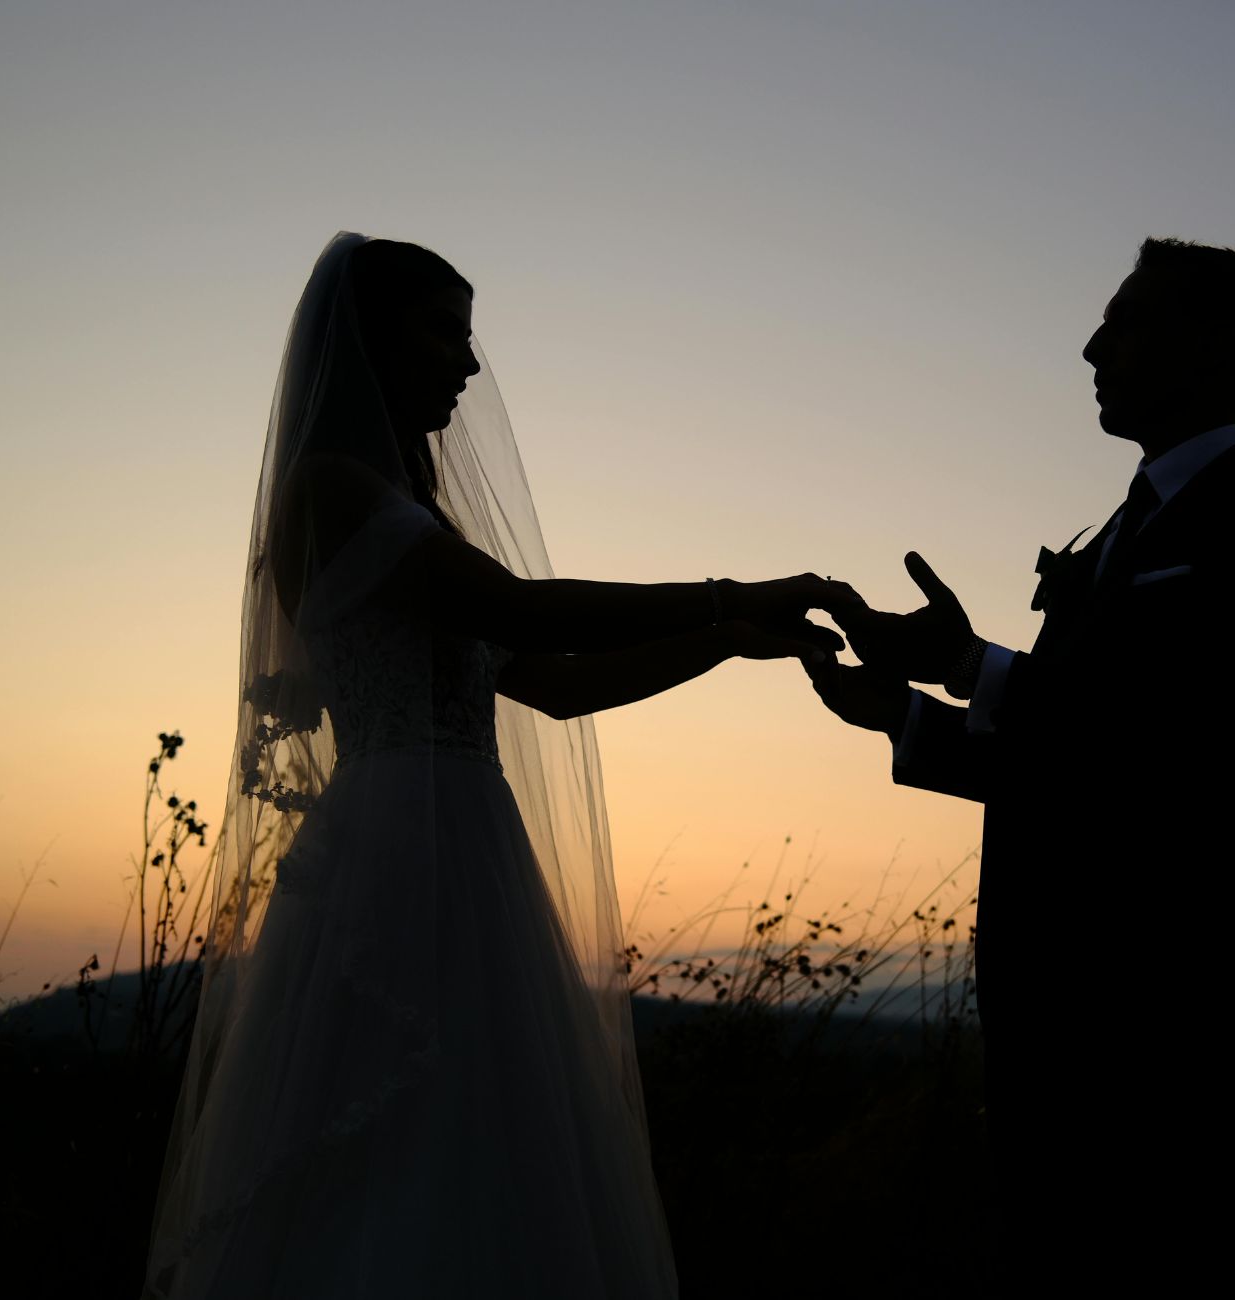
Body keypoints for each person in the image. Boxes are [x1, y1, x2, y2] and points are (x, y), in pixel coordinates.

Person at [141, 232, 852, 1298]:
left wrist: (726, 641)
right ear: (370, 341)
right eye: (444, 333)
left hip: (468, 844)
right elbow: (526, 609)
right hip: (396, 849)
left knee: (487, 1129)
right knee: (391, 1131)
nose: (468, 365)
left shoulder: (408, 514)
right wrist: (728, 592)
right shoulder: (330, 491)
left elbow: (552, 682)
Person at [806, 237, 1235, 1288]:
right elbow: (1076, 770)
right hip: (1046, 1007)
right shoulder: (1111, 531)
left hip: (1184, 1018)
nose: (1089, 346)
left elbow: (1209, 755)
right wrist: (905, 719)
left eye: (1124, 320)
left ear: (1212, 345)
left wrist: (973, 665)